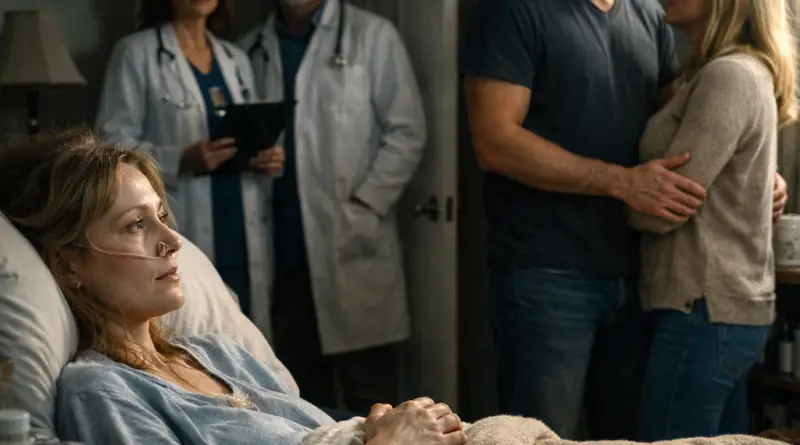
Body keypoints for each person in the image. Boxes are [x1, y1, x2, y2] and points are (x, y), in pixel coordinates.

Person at [0, 129, 465, 445]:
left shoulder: (219, 352)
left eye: (161, 216)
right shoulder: (100, 389)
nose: (172, 241)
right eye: (136, 225)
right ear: (66, 264)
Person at [462, 0, 789, 440]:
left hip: (639, 279)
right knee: (536, 434)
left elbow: (691, 123)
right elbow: (494, 141)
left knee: (631, 435)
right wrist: (620, 182)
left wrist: (751, 171)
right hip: (549, 272)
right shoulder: (515, 10)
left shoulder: (650, 14)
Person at [238, 0, 426, 413]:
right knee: (304, 408)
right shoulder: (250, 49)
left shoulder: (372, 36)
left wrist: (365, 204)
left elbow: (406, 133)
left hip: (350, 245)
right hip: (282, 259)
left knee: (375, 404)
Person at [629, 0, 797, 440]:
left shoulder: (729, 75)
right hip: (719, 310)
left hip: (705, 309)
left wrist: (617, 194)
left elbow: (666, 206)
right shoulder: (724, 72)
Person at [95, 0, 284, 325]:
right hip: (182, 221)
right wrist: (179, 159)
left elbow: (247, 131)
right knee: (194, 323)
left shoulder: (236, 59)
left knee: (248, 332)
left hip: (242, 225)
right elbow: (111, 146)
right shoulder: (136, 54)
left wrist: (264, 156)